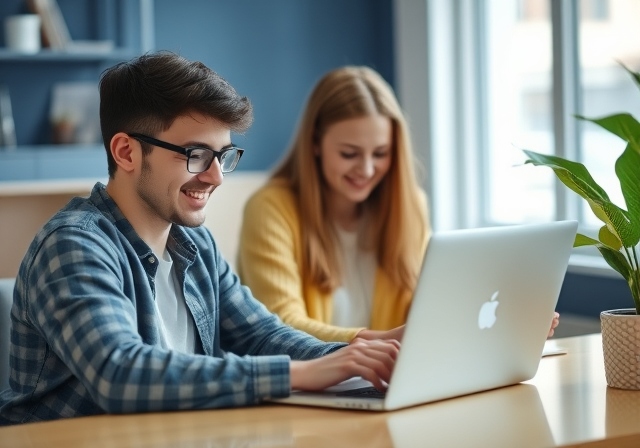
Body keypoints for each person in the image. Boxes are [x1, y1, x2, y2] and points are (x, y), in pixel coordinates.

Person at [0, 52, 400, 425]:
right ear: (126, 152)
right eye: (195, 154)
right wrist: (303, 374)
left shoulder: (195, 244)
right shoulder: (73, 245)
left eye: (223, 155)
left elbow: (263, 336)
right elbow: (120, 373)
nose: (216, 176)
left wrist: (363, 357)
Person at [237, 66, 562, 343]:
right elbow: (280, 327)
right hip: (308, 390)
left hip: (384, 385)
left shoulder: (410, 208)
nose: (366, 170)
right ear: (316, 144)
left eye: (380, 154)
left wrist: (509, 320)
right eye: (349, 154)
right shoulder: (270, 209)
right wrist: (381, 342)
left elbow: (427, 310)